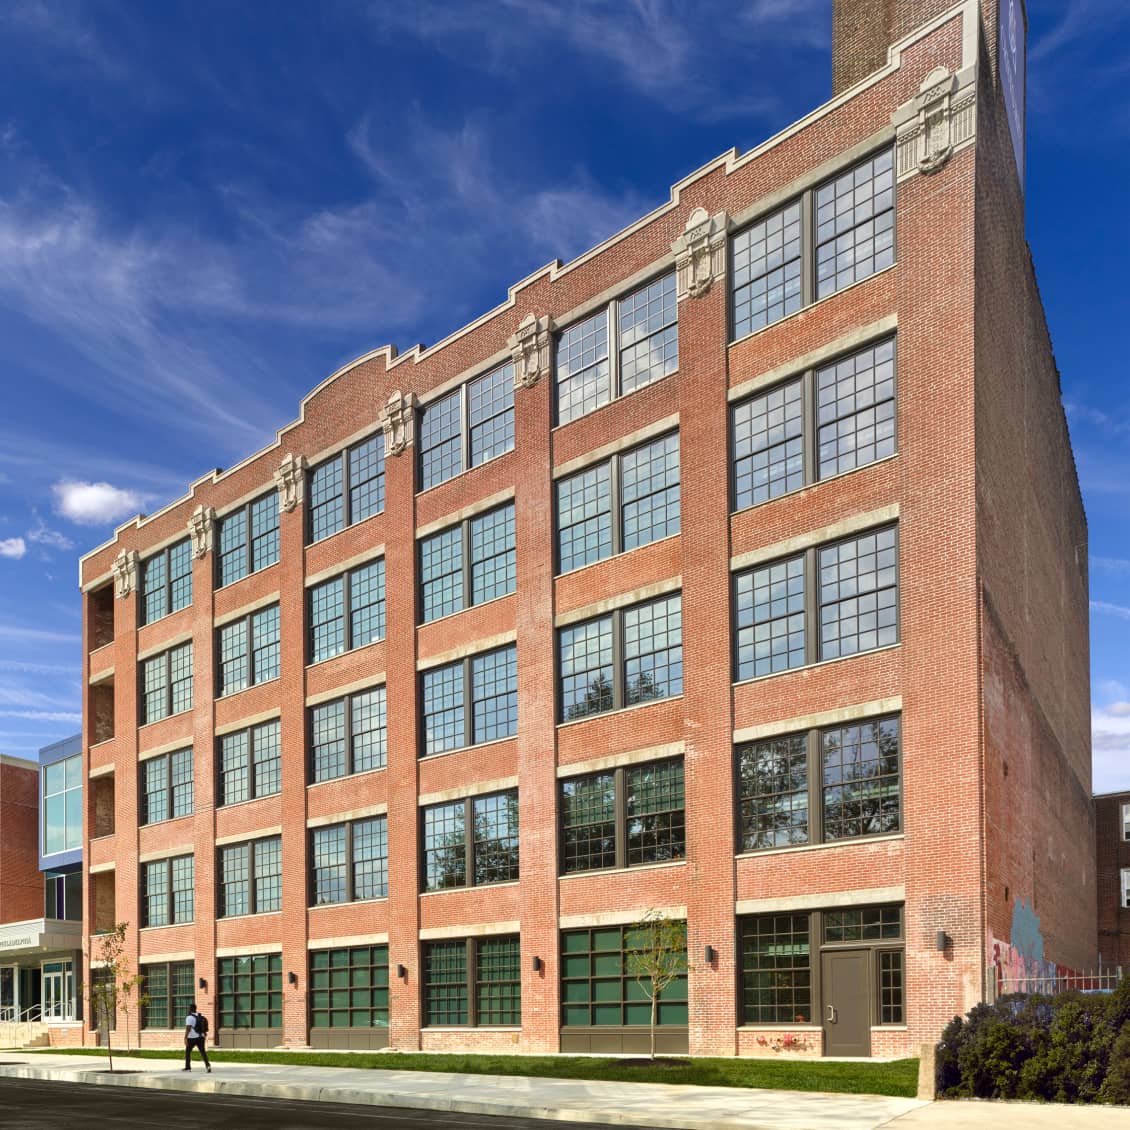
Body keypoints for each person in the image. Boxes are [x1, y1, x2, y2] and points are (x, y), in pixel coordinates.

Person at [183, 1001, 212, 1072]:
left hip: (192, 1038)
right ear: (195, 1009)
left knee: (188, 1052)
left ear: (190, 1009)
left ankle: (188, 1067)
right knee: (203, 1052)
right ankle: (208, 1065)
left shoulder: (189, 1017)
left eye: (188, 1009)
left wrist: (185, 1038)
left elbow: (188, 1028)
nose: (188, 1010)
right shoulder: (201, 1016)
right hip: (201, 1037)